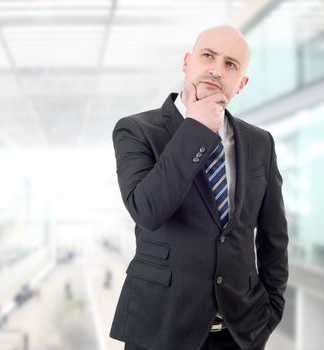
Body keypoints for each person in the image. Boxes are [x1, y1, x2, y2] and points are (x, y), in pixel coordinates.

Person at [109, 25, 288, 350]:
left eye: (231, 64)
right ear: (187, 62)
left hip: (239, 333)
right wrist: (196, 128)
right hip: (159, 329)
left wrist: (271, 311)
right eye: (208, 56)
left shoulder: (260, 143)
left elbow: (274, 237)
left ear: (242, 83)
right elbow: (147, 210)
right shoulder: (136, 130)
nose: (217, 69)